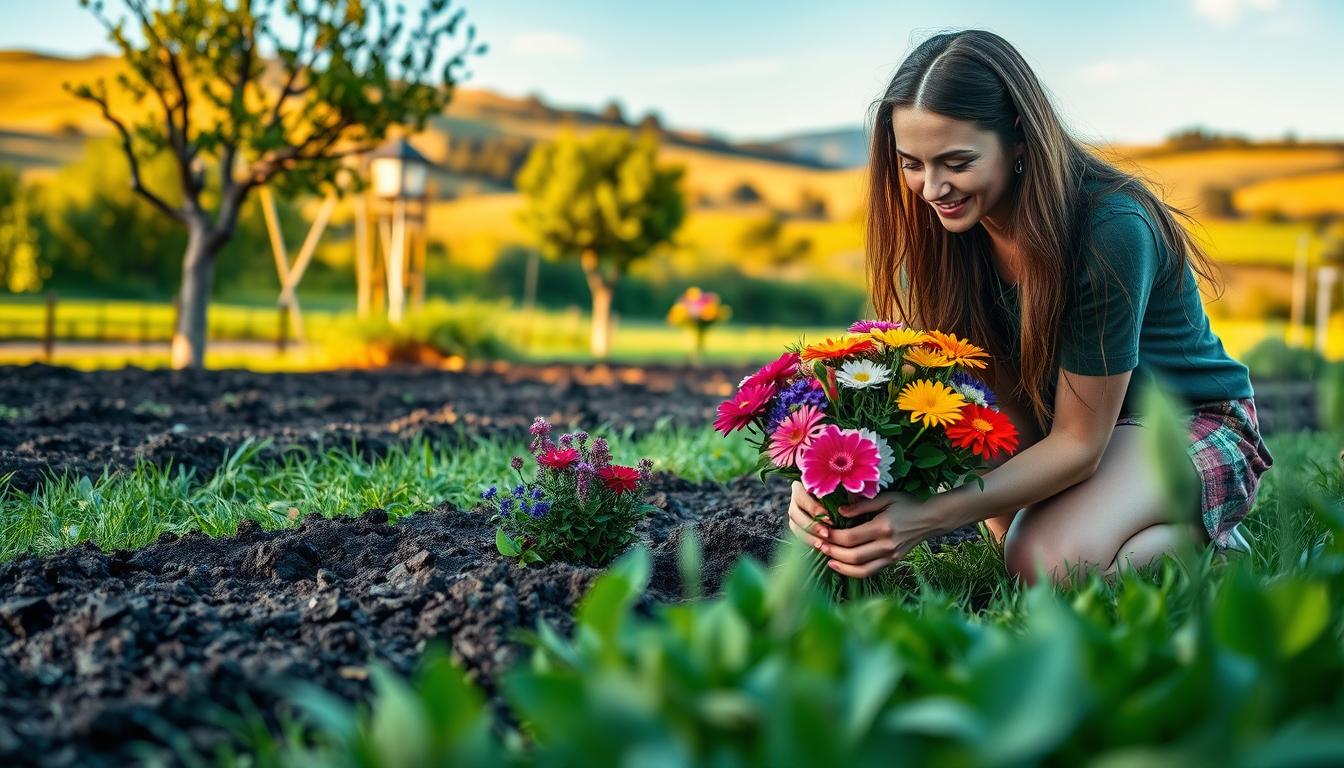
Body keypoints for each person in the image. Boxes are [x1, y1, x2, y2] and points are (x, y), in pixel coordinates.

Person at [785, 30, 1275, 585]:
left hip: (1184, 424)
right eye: (912, 164)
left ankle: (1212, 548)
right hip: (1061, 423)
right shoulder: (953, 232)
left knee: (1043, 563)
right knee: (1013, 531)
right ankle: (1111, 528)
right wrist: (831, 481)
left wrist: (926, 518)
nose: (932, 188)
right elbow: (972, 401)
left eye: (957, 161)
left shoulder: (1110, 228)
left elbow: (1079, 445)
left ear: (1019, 137)